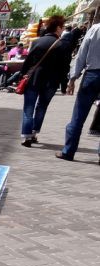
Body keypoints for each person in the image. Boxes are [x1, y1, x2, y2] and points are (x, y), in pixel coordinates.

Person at [19, 15, 72, 147]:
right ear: (58, 28)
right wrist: (64, 85)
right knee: (42, 107)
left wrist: (22, 75)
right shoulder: (63, 45)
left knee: (28, 108)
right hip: (51, 82)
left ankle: (26, 137)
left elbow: (28, 62)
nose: (63, 30)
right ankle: (34, 132)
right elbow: (65, 68)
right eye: (62, 27)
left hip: (34, 79)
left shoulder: (37, 42)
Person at [56, 22, 100, 164]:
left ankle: (68, 151)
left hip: (92, 75)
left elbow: (82, 53)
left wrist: (73, 78)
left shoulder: (96, 29)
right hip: (92, 74)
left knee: (78, 116)